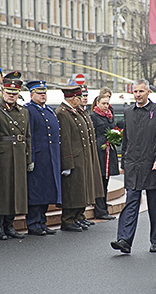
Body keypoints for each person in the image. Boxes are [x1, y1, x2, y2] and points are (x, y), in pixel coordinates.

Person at [110, 79, 156, 254]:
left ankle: (155, 240)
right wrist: (124, 162)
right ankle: (124, 240)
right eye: (135, 92)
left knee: (155, 204)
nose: (138, 95)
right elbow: (126, 139)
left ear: (148, 92)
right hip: (133, 164)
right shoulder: (128, 112)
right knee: (131, 201)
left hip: (152, 165)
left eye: (141, 91)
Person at [0, 78, 31, 240]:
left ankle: (9, 225)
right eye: (8, 93)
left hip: (19, 155)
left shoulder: (23, 111)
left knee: (16, 192)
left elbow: (28, 137)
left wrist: (29, 158)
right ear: (2, 93)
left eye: (14, 93)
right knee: (2, 192)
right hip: (4, 156)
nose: (11, 96)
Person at [24, 80, 61, 235]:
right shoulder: (28, 110)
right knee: (35, 192)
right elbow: (29, 135)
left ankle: (42, 221)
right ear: (32, 94)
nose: (43, 96)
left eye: (44, 93)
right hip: (37, 158)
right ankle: (33, 223)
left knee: (46, 191)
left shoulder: (49, 111)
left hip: (50, 158)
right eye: (39, 93)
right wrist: (30, 157)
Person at [55, 86, 92, 232]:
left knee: (79, 190)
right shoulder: (63, 113)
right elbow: (65, 139)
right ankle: (68, 219)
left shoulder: (73, 112)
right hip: (73, 158)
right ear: (72, 98)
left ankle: (76, 217)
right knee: (72, 191)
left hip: (80, 157)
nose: (81, 99)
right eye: (78, 97)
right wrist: (67, 162)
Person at [76, 85, 103, 228]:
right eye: (82, 96)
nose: (85, 98)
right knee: (80, 187)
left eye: (86, 96)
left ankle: (80, 215)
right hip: (79, 155)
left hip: (88, 154)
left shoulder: (85, 112)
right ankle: (76, 216)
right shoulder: (76, 112)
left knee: (86, 186)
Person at [90, 94, 118, 220]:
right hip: (99, 152)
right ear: (97, 104)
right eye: (103, 104)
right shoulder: (93, 117)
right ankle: (100, 210)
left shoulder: (109, 116)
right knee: (99, 182)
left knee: (105, 182)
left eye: (107, 104)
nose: (106, 106)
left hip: (108, 151)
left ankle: (104, 207)